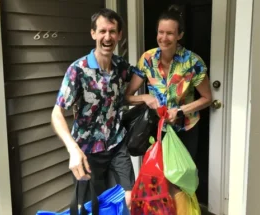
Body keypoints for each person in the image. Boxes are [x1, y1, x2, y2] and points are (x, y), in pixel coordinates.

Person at [125, 4, 212, 211]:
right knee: (158, 178)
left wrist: (179, 111)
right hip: (156, 131)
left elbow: (207, 98)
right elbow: (127, 97)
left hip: (185, 130)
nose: (164, 38)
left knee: (181, 179)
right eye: (161, 32)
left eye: (170, 33)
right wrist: (145, 96)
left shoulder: (192, 62)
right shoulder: (147, 59)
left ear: (179, 35)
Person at [51, 8, 136, 207]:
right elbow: (57, 113)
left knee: (127, 200)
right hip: (86, 151)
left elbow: (140, 73)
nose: (107, 37)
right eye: (102, 31)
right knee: (90, 207)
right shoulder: (78, 70)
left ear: (119, 35)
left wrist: (141, 98)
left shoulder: (121, 66)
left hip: (116, 144)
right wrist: (72, 149)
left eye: (112, 31)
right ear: (93, 34)